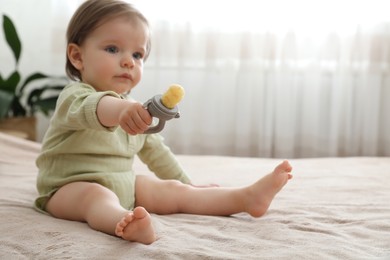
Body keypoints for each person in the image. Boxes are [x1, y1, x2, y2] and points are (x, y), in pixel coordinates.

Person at [35, 0, 293, 245]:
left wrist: (186, 182)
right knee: (96, 197)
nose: (128, 61)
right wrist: (123, 109)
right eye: (112, 49)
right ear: (77, 56)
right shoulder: (75, 96)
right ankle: (124, 224)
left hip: (124, 185)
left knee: (173, 190)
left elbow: (157, 153)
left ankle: (245, 198)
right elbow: (97, 109)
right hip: (66, 190)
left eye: (138, 54)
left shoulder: (133, 108)